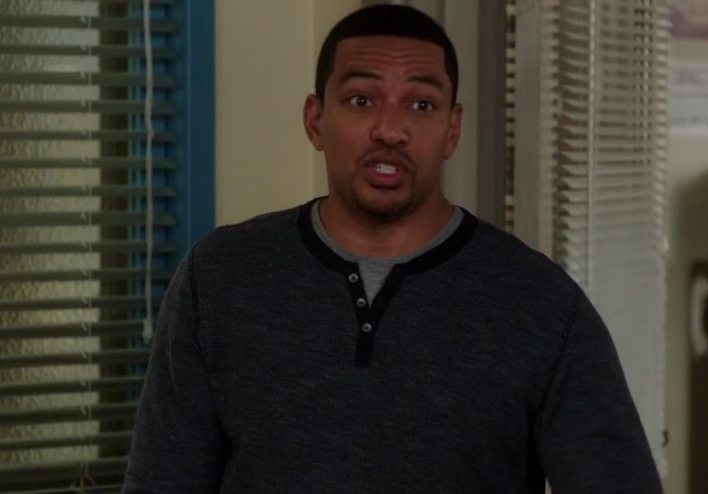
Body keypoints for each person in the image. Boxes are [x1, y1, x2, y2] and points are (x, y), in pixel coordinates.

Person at [123, 5, 661, 493]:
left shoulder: (542, 305)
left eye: (421, 104)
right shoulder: (220, 278)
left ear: (452, 130)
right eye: (362, 100)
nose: (391, 129)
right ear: (315, 120)